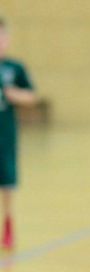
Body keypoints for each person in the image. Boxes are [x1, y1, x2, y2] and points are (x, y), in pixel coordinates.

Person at [0, 16, 37, 250]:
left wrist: (15, 95)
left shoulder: (15, 68)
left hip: (5, 134)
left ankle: (8, 223)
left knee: (7, 180)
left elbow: (31, 96)